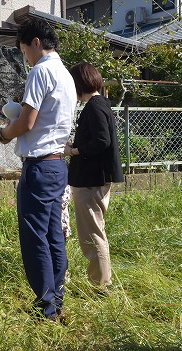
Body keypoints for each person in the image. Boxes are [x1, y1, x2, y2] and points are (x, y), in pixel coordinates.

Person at [0, 18, 77, 321]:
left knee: (35, 237)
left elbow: (27, 122)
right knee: (54, 234)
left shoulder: (41, 71)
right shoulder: (65, 74)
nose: (26, 58)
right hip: (58, 164)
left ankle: (47, 307)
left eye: (24, 52)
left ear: (35, 43)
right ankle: (56, 298)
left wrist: (5, 133)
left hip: (39, 168)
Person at [63, 62, 124, 290]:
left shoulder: (94, 106)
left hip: (90, 179)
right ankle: (101, 283)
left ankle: (100, 286)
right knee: (95, 232)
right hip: (95, 178)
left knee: (92, 235)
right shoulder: (101, 104)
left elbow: (101, 141)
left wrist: (74, 151)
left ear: (78, 84)